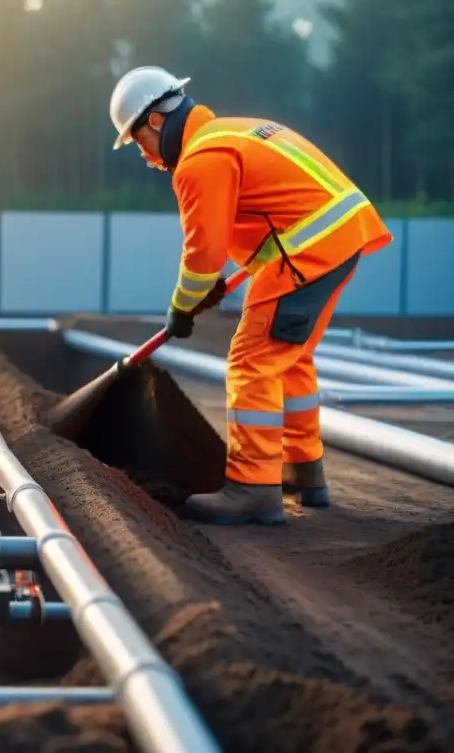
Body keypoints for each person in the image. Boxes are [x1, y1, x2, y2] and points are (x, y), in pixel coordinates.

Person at [108, 66, 392, 526]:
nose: (145, 157)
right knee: (288, 359)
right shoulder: (233, 131)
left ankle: (253, 488)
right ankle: (303, 472)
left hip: (305, 253)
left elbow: (203, 255)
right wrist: (215, 282)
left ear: (155, 122)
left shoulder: (201, 159)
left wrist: (181, 307)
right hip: (335, 240)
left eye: (139, 142)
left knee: (251, 361)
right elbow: (270, 210)